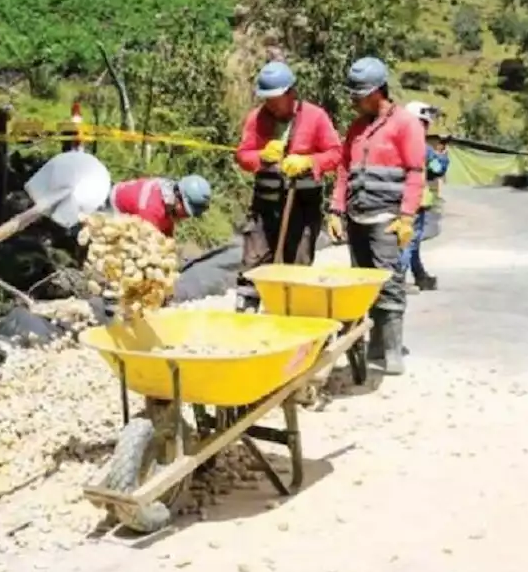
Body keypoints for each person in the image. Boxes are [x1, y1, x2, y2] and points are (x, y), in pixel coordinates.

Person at [327, 57, 425, 376]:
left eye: (360, 95)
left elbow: (414, 172)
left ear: (379, 92)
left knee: (390, 281)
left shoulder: (405, 125)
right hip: (357, 216)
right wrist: (336, 210)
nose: (355, 101)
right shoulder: (356, 128)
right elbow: (344, 170)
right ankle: (374, 345)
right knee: (363, 283)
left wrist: (407, 216)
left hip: (388, 217)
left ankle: (393, 350)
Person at [233, 60, 342, 312]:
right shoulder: (256, 119)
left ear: (291, 93)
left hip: (302, 207)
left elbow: (335, 154)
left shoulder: (315, 117)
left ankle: (293, 319)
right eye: (267, 99)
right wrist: (261, 157)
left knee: (298, 266)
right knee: (253, 262)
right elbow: (242, 155)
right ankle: (246, 314)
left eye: (276, 98)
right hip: (265, 205)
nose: (271, 104)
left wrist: (309, 161)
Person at [401, 101, 447, 294]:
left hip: (401, 199)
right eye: (424, 123)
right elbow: (437, 169)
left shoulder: (398, 141)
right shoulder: (421, 147)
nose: (427, 127)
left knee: (412, 242)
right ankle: (399, 279)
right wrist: (443, 156)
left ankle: (420, 275)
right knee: (409, 241)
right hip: (415, 201)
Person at [106, 174, 212, 237]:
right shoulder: (152, 209)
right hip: (114, 208)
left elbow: (167, 234)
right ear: (178, 198)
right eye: (186, 212)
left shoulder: (169, 194)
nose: (186, 217)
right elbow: (146, 243)